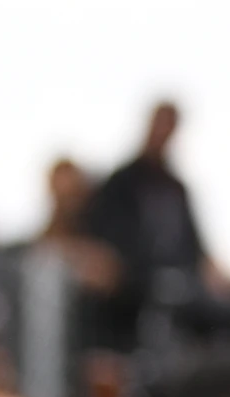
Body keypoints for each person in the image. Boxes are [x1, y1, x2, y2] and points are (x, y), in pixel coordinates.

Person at [82, 104, 220, 359]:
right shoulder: (121, 182)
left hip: (182, 282)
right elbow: (103, 242)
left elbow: (196, 243)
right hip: (132, 288)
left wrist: (211, 268)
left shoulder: (176, 187)